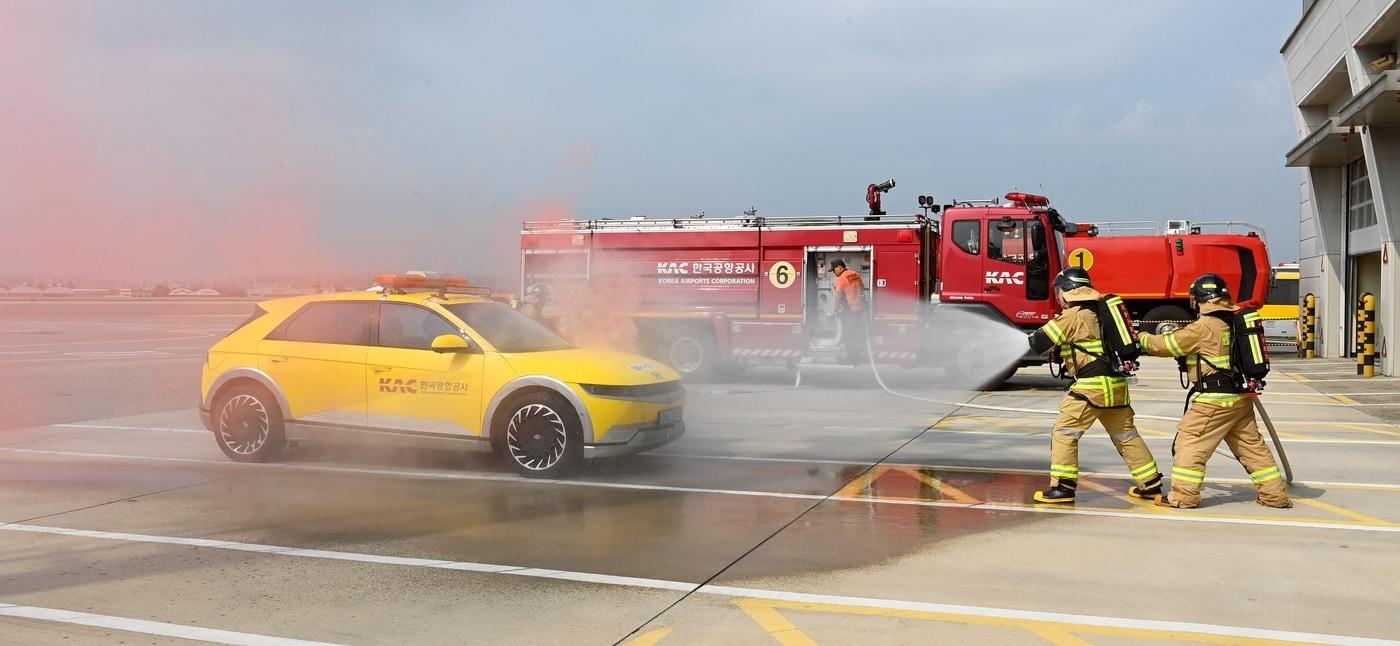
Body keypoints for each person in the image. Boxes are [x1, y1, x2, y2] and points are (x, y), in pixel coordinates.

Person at [1138, 274, 1291, 509]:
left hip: (1212, 401)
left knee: (1190, 444)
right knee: (1252, 448)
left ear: (1199, 299)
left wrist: (1141, 336)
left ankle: (1184, 496)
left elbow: (1163, 346)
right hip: (1239, 399)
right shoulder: (1235, 320)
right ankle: (1274, 495)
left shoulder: (1203, 327)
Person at [1027, 267, 1164, 504]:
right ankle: (1150, 483)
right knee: (1126, 435)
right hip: (1117, 387)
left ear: (1066, 291)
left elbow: (1039, 342)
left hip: (1090, 389)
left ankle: (1063, 487)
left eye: (1059, 292)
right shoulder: (1103, 312)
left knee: (1064, 432)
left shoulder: (1074, 315)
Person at [831, 260, 867, 363]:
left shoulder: (841, 278)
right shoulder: (856, 274)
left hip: (849, 310)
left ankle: (852, 358)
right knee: (856, 333)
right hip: (859, 309)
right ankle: (857, 355)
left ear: (839, 267)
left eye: (834, 270)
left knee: (848, 334)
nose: (834, 273)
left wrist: (835, 310)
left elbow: (837, 297)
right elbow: (862, 289)